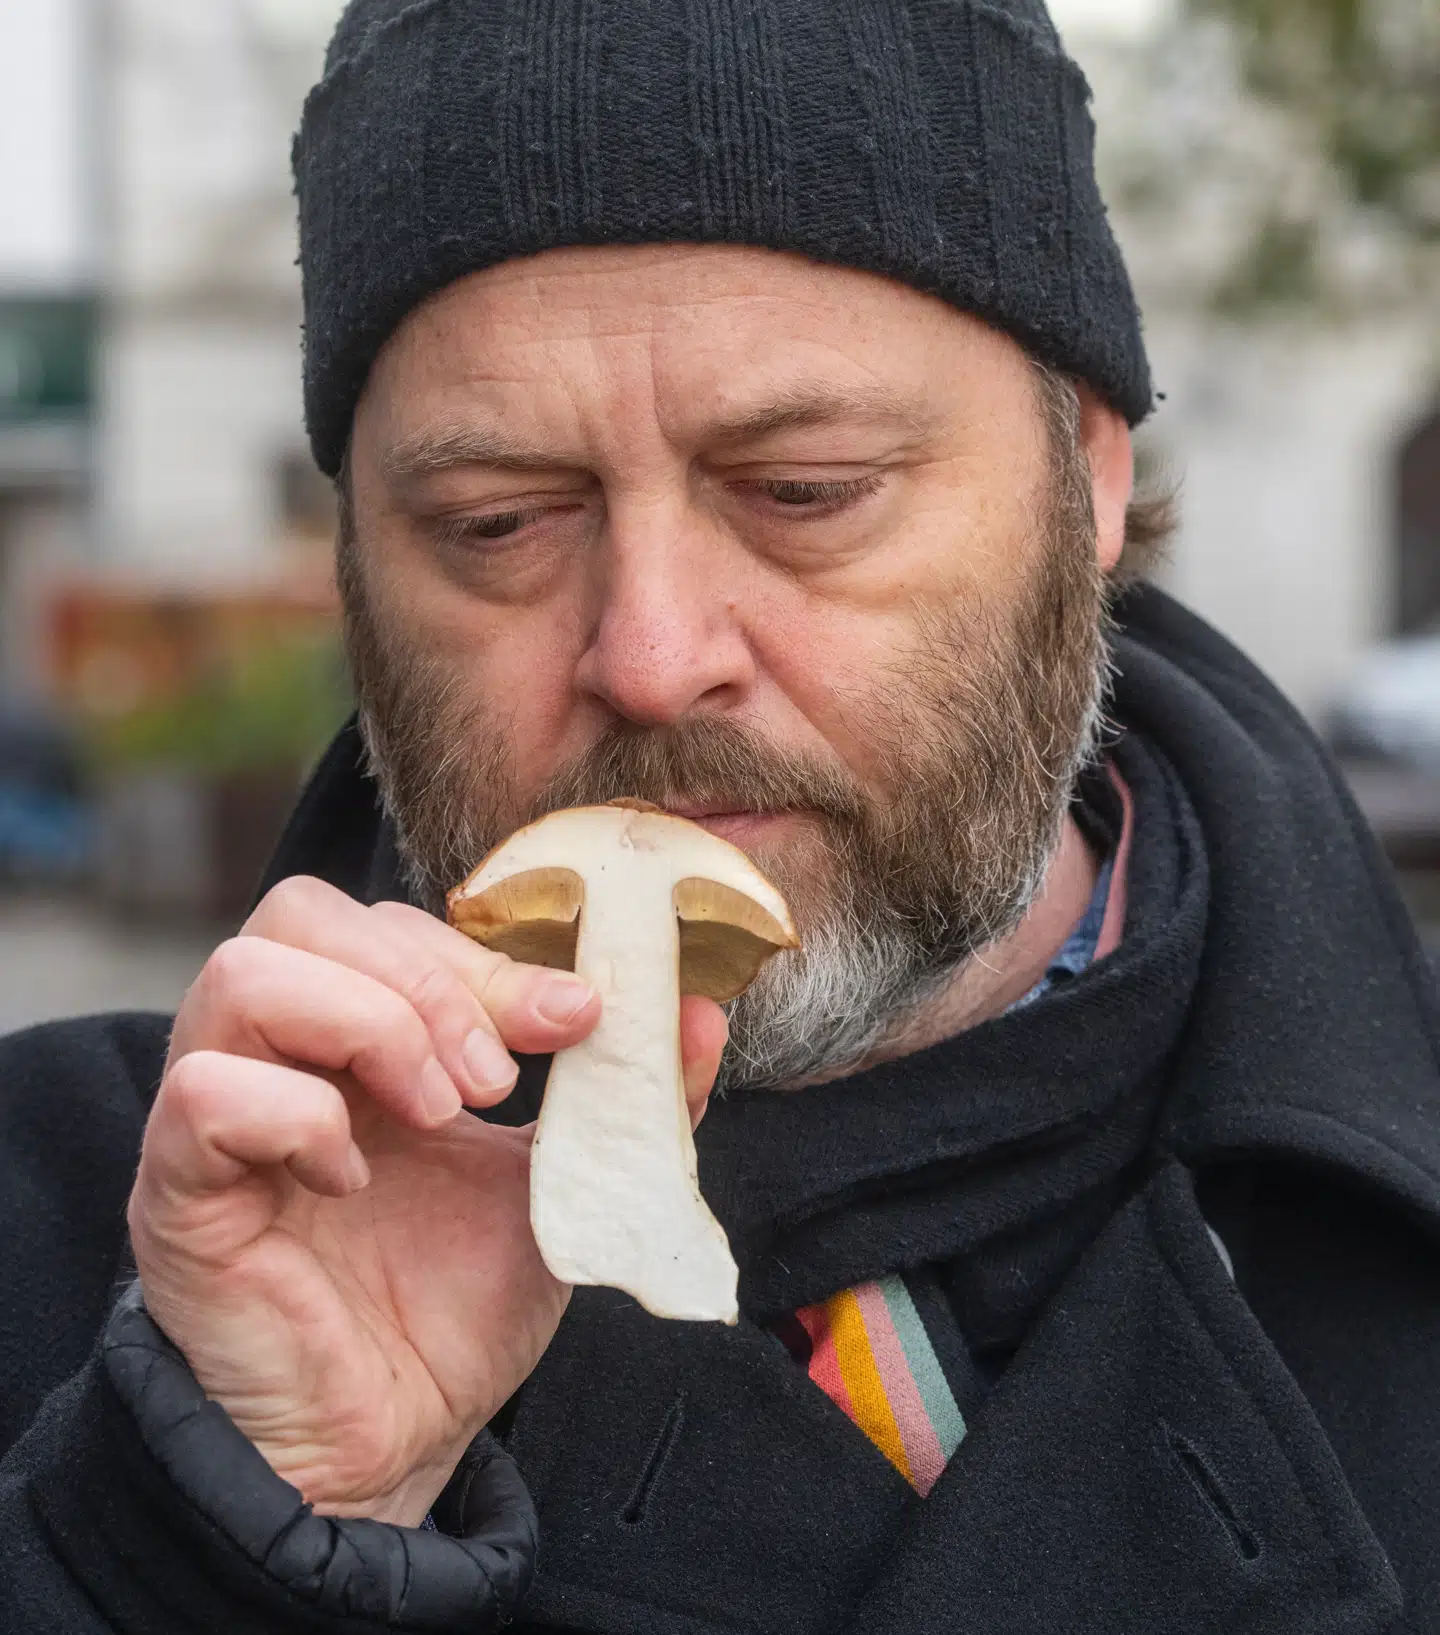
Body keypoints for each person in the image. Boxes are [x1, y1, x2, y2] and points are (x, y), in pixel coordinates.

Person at [4, 1, 1439, 1629]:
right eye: (497, 523)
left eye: (806, 490)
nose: (654, 654)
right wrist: (214, 1522)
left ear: (1088, 478)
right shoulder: (71, 1225)